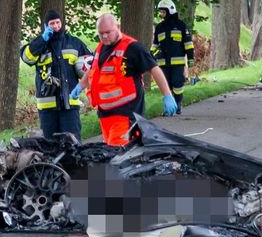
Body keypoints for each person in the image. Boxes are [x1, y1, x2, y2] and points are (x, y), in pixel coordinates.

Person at [71, 13, 178, 146]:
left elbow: (154, 69)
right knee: (112, 154)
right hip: (105, 115)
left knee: (119, 156)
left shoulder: (133, 48)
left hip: (126, 115)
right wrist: (80, 86)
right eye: (101, 33)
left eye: (108, 32)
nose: (104, 36)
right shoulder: (101, 48)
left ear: (118, 27)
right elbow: (94, 70)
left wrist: (167, 95)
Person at [20, 9, 91, 139]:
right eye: (52, 23)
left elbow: (90, 64)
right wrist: (42, 40)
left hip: (70, 104)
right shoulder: (39, 44)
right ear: (46, 26)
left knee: (72, 142)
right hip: (47, 106)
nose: (56, 26)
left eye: (58, 22)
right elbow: (26, 57)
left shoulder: (74, 42)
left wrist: (83, 82)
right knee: (49, 145)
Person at [151, 0, 194, 109]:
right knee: (166, 84)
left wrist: (190, 58)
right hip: (162, 62)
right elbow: (155, 44)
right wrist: (150, 55)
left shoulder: (181, 25)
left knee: (177, 83)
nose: (161, 14)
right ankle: (169, 107)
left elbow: (188, 43)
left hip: (177, 62)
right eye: (160, 12)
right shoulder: (159, 27)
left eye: (163, 12)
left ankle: (178, 103)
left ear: (170, 10)